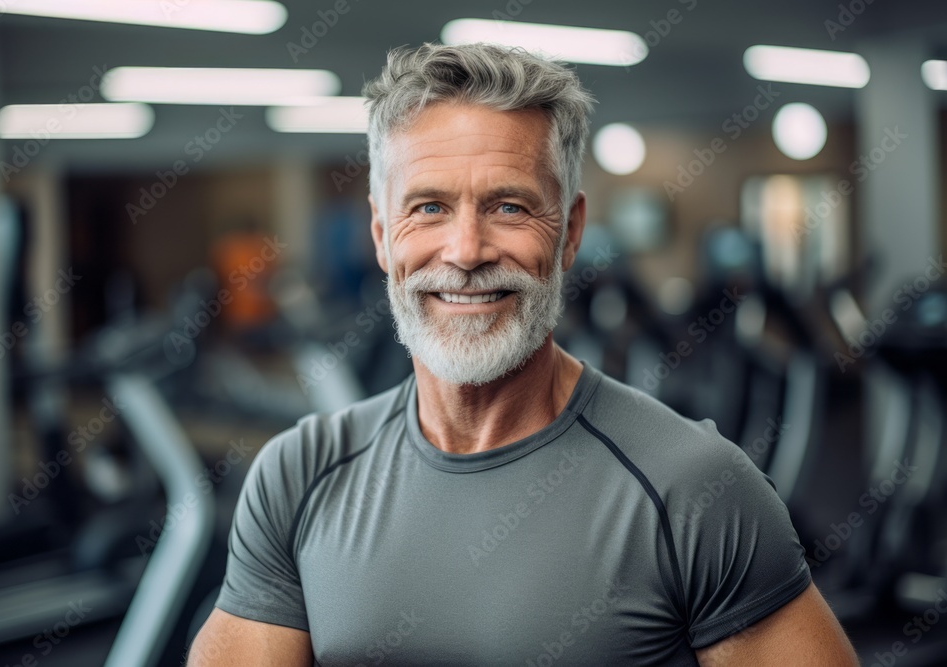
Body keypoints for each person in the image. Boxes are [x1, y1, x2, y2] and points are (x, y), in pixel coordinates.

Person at [188, 42, 859, 666]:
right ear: (382, 235)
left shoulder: (696, 489)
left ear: (569, 234)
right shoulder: (296, 475)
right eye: (428, 208)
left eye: (508, 206)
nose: (466, 251)